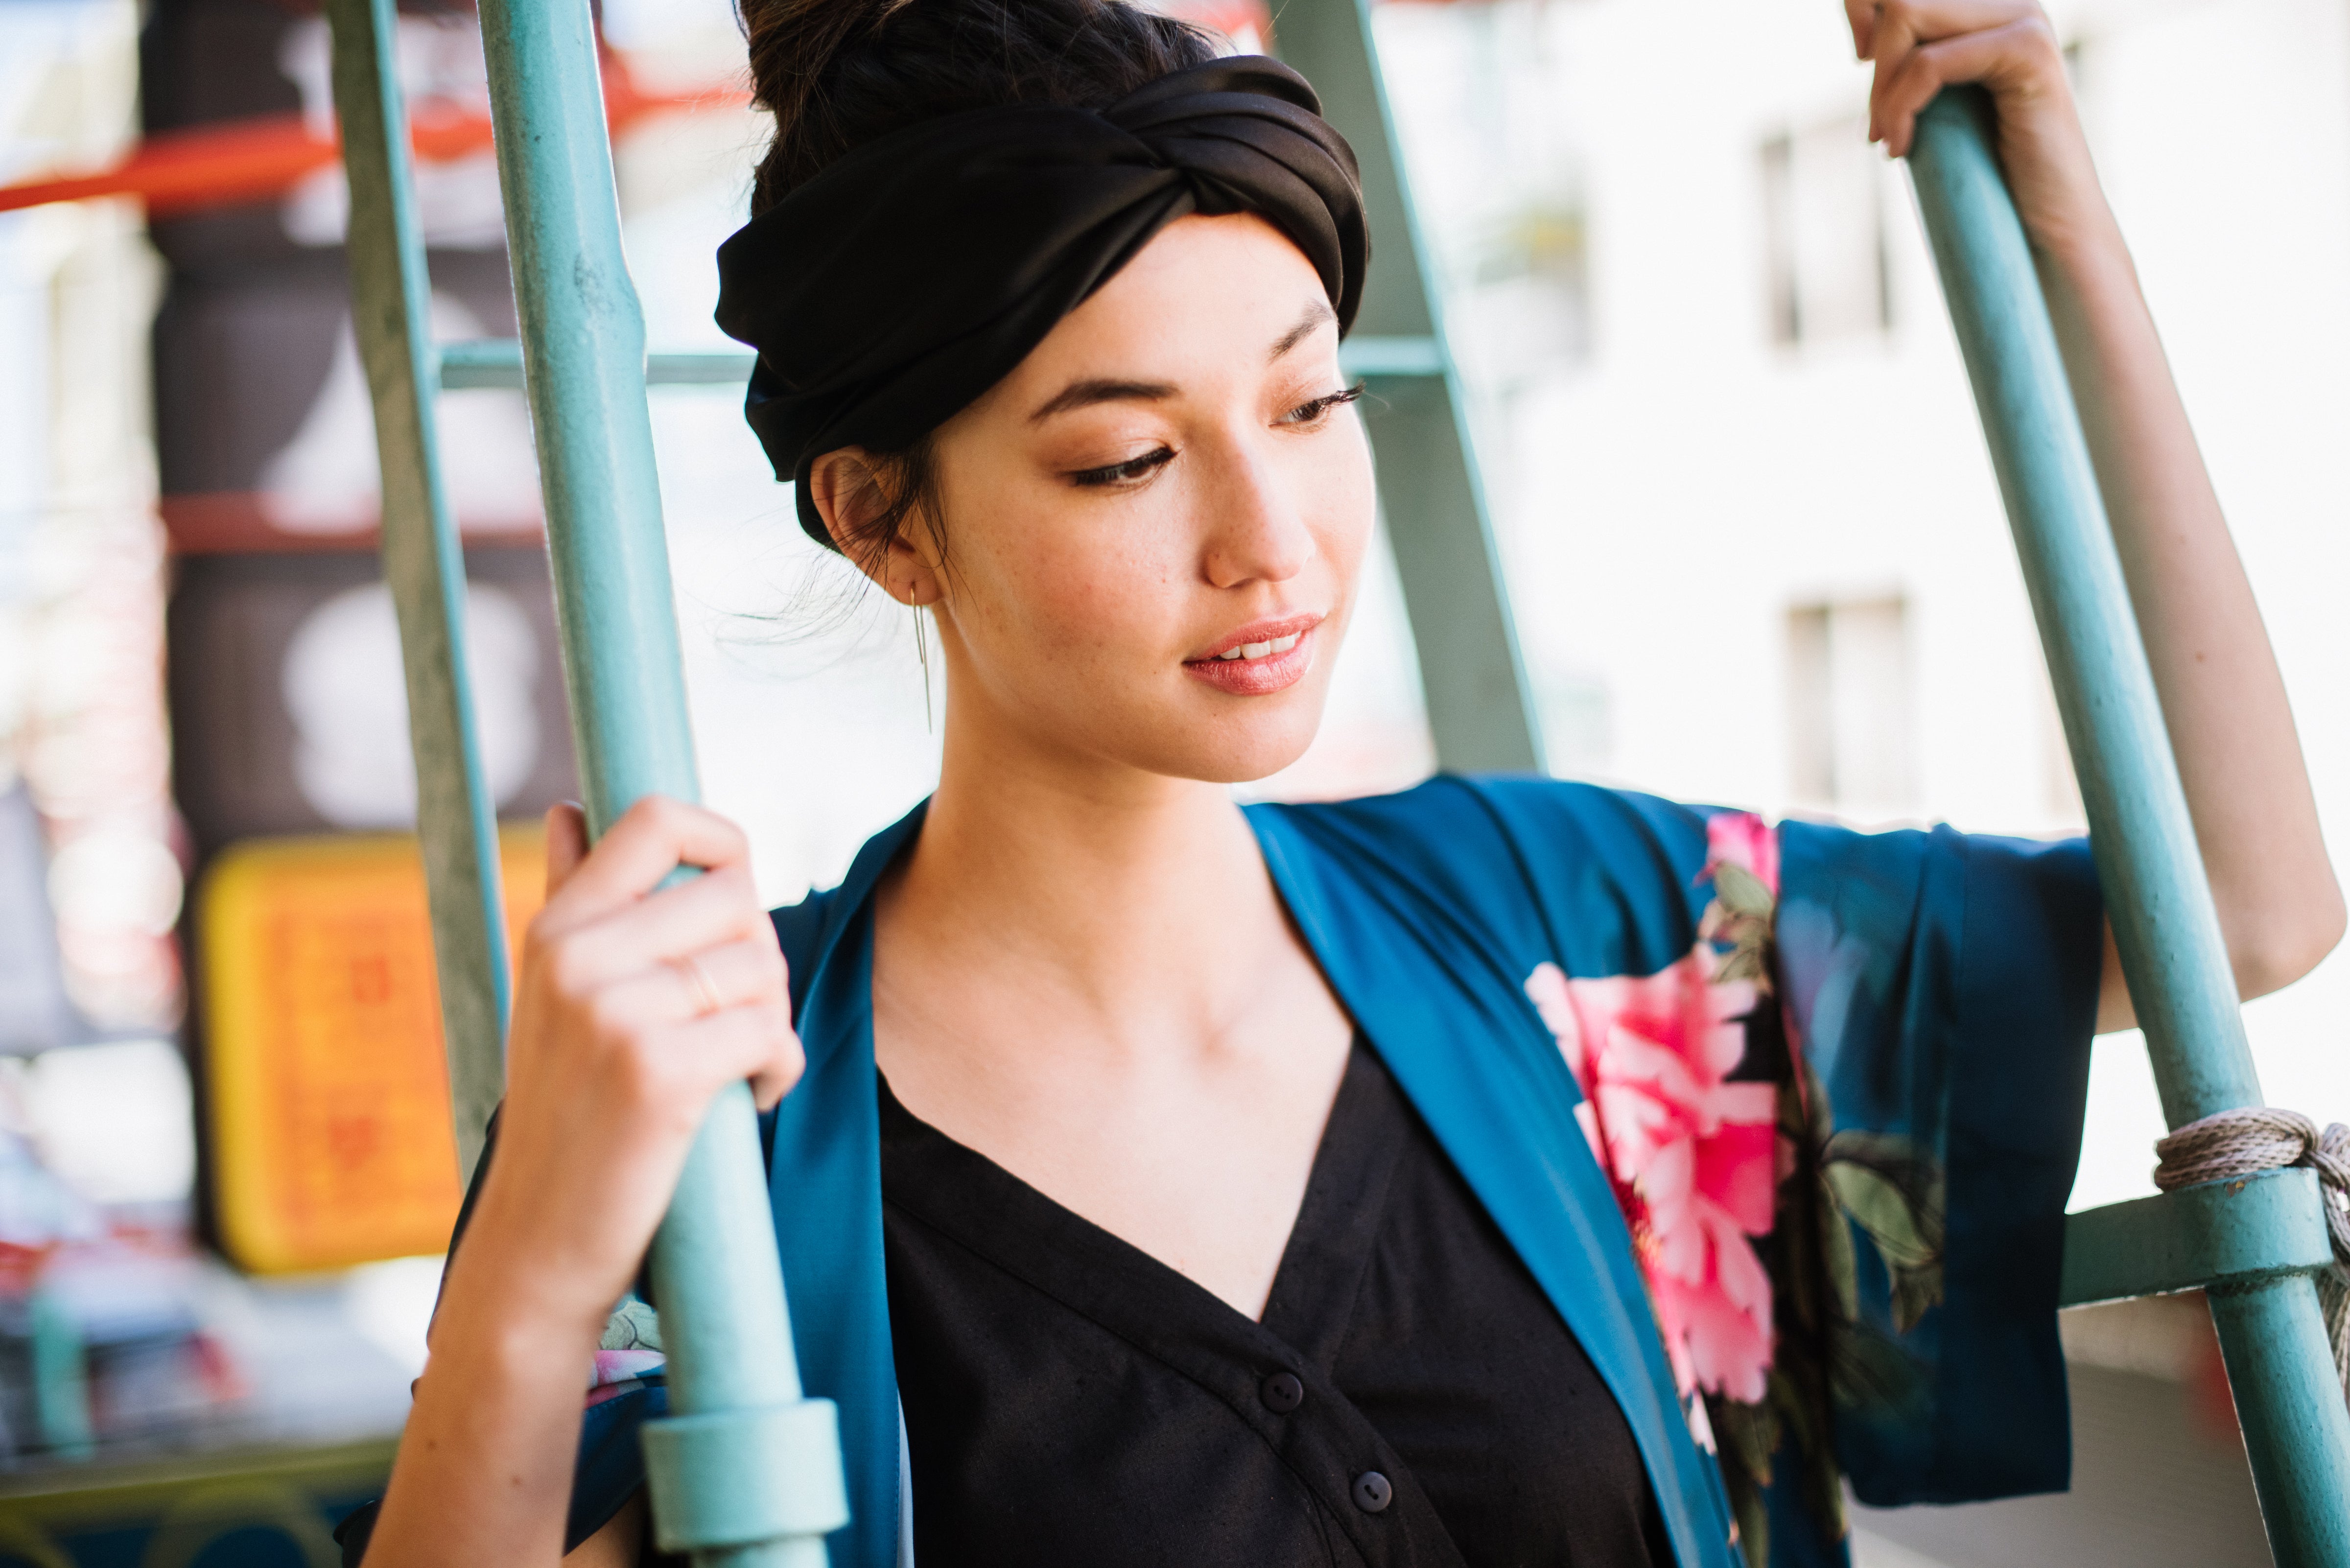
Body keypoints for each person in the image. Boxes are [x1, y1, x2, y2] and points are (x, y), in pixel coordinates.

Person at [344, 0, 2344, 1563]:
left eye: (1310, 403)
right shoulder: (731, 1116)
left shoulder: (1557, 932)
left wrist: (2062, 218)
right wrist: (531, 1274)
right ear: (882, 521)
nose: (1271, 540)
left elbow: (2241, 904)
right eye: (1129, 459)